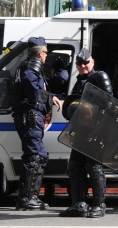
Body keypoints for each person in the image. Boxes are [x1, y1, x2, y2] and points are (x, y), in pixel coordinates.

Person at [59, 48, 113, 218]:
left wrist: (98, 131)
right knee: (75, 166)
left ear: (92, 61)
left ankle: (99, 205)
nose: (83, 66)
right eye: (79, 63)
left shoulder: (99, 77)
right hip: (80, 131)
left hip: (95, 131)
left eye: (86, 62)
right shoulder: (79, 81)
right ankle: (79, 204)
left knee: (94, 167)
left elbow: (108, 106)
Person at [11, 37, 61, 211]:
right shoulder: (33, 65)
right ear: (40, 53)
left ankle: (29, 197)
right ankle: (27, 199)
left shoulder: (24, 64)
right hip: (30, 116)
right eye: (46, 52)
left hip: (28, 116)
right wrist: (36, 99)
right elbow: (29, 81)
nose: (46, 56)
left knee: (37, 156)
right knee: (34, 157)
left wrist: (47, 96)